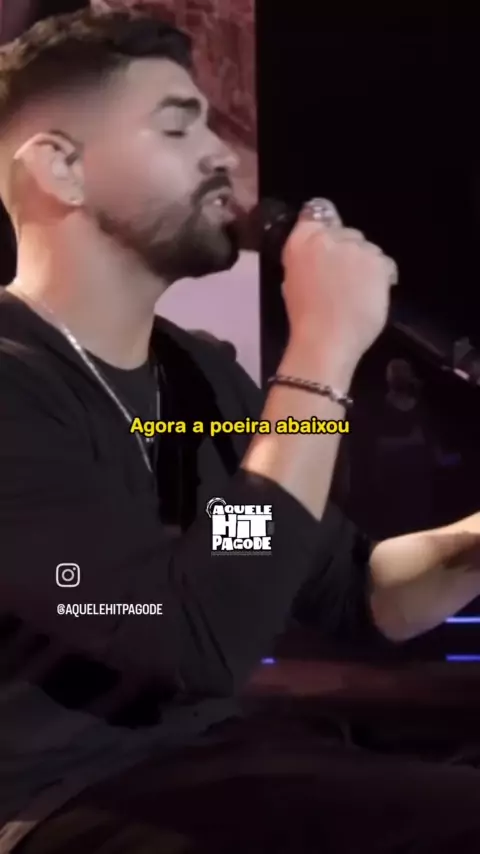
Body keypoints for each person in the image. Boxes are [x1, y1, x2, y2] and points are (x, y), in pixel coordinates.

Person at [1, 10, 480, 854]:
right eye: (177, 128)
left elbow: (354, 594)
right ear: (60, 168)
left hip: (233, 764)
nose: (222, 155)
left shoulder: (203, 380)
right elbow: (196, 634)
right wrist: (323, 346)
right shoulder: (15, 383)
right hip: (64, 804)